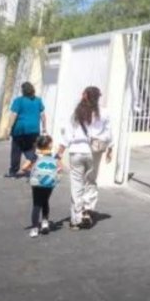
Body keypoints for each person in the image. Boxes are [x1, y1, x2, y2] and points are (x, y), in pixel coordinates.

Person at [56, 86, 113, 230]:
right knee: (91, 180)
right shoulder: (104, 113)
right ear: (98, 97)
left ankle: (76, 219)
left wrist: (59, 153)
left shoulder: (76, 113)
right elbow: (108, 134)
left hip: (76, 151)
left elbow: (67, 134)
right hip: (94, 152)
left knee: (77, 185)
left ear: (84, 95)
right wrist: (110, 149)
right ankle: (87, 211)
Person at [20, 134, 60, 238]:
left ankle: (34, 228)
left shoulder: (35, 155)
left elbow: (24, 167)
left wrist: (32, 172)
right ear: (49, 144)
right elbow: (60, 168)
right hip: (49, 183)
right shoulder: (54, 155)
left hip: (37, 182)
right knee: (45, 201)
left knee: (37, 204)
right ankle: (45, 222)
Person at [6, 82, 46, 178]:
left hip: (20, 130)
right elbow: (43, 116)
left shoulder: (18, 101)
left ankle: (13, 171)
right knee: (30, 149)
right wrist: (44, 128)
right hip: (34, 131)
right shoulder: (38, 101)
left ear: (23, 90)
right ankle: (33, 160)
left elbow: (14, 115)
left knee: (16, 150)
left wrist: (9, 127)